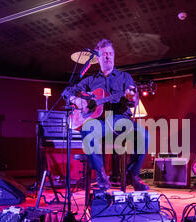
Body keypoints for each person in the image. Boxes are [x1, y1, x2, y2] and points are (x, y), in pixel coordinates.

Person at [64, 39, 149, 191]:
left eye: (110, 54)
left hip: (119, 119)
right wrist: (76, 100)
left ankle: (133, 175)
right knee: (87, 130)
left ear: (114, 56)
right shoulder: (90, 80)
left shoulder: (124, 77)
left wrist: (131, 98)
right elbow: (67, 92)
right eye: (104, 54)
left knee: (143, 134)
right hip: (99, 123)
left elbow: (134, 101)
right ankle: (101, 174)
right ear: (98, 58)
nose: (108, 57)